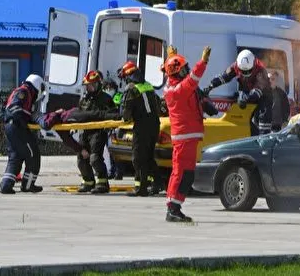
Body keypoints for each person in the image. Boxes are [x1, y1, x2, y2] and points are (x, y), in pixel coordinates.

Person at [161, 45, 211, 222]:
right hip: (184, 137)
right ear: (177, 73)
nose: (187, 71)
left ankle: (176, 206)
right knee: (180, 172)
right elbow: (193, 79)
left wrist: (172, 56)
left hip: (188, 136)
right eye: (184, 70)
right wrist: (203, 61)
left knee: (186, 173)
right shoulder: (178, 90)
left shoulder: (173, 84)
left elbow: (174, 71)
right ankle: (172, 208)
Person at [203, 49, 273, 135]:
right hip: (247, 89)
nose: (245, 73)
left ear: (254, 65)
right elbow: (224, 77)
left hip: (263, 94)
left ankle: (264, 138)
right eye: (243, 71)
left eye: (248, 71)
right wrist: (210, 86)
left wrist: (247, 99)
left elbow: (258, 91)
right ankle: (246, 134)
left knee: (263, 114)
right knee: (241, 112)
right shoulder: (236, 66)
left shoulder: (261, 70)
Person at [118, 61, 161, 197]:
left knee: (138, 158)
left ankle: (141, 188)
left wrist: (124, 120)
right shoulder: (148, 86)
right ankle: (158, 184)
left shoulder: (131, 88)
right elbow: (158, 105)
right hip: (154, 124)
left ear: (128, 76)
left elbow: (126, 112)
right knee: (148, 156)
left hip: (142, 126)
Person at [0, 74, 46, 194]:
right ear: (38, 86)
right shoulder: (24, 92)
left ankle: (6, 185)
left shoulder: (24, 91)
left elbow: (19, 111)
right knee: (33, 154)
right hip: (17, 127)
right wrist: (24, 122)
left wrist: (28, 119)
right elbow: (15, 109)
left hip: (10, 127)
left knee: (15, 157)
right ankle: (28, 185)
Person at [75, 71, 116, 194]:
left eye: (91, 85)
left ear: (98, 84)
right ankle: (88, 182)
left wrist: (108, 127)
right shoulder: (84, 99)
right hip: (85, 132)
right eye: (87, 85)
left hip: (98, 132)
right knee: (81, 158)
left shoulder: (106, 99)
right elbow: (79, 113)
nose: (89, 88)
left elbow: (114, 114)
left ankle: (103, 183)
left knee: (94, 158)